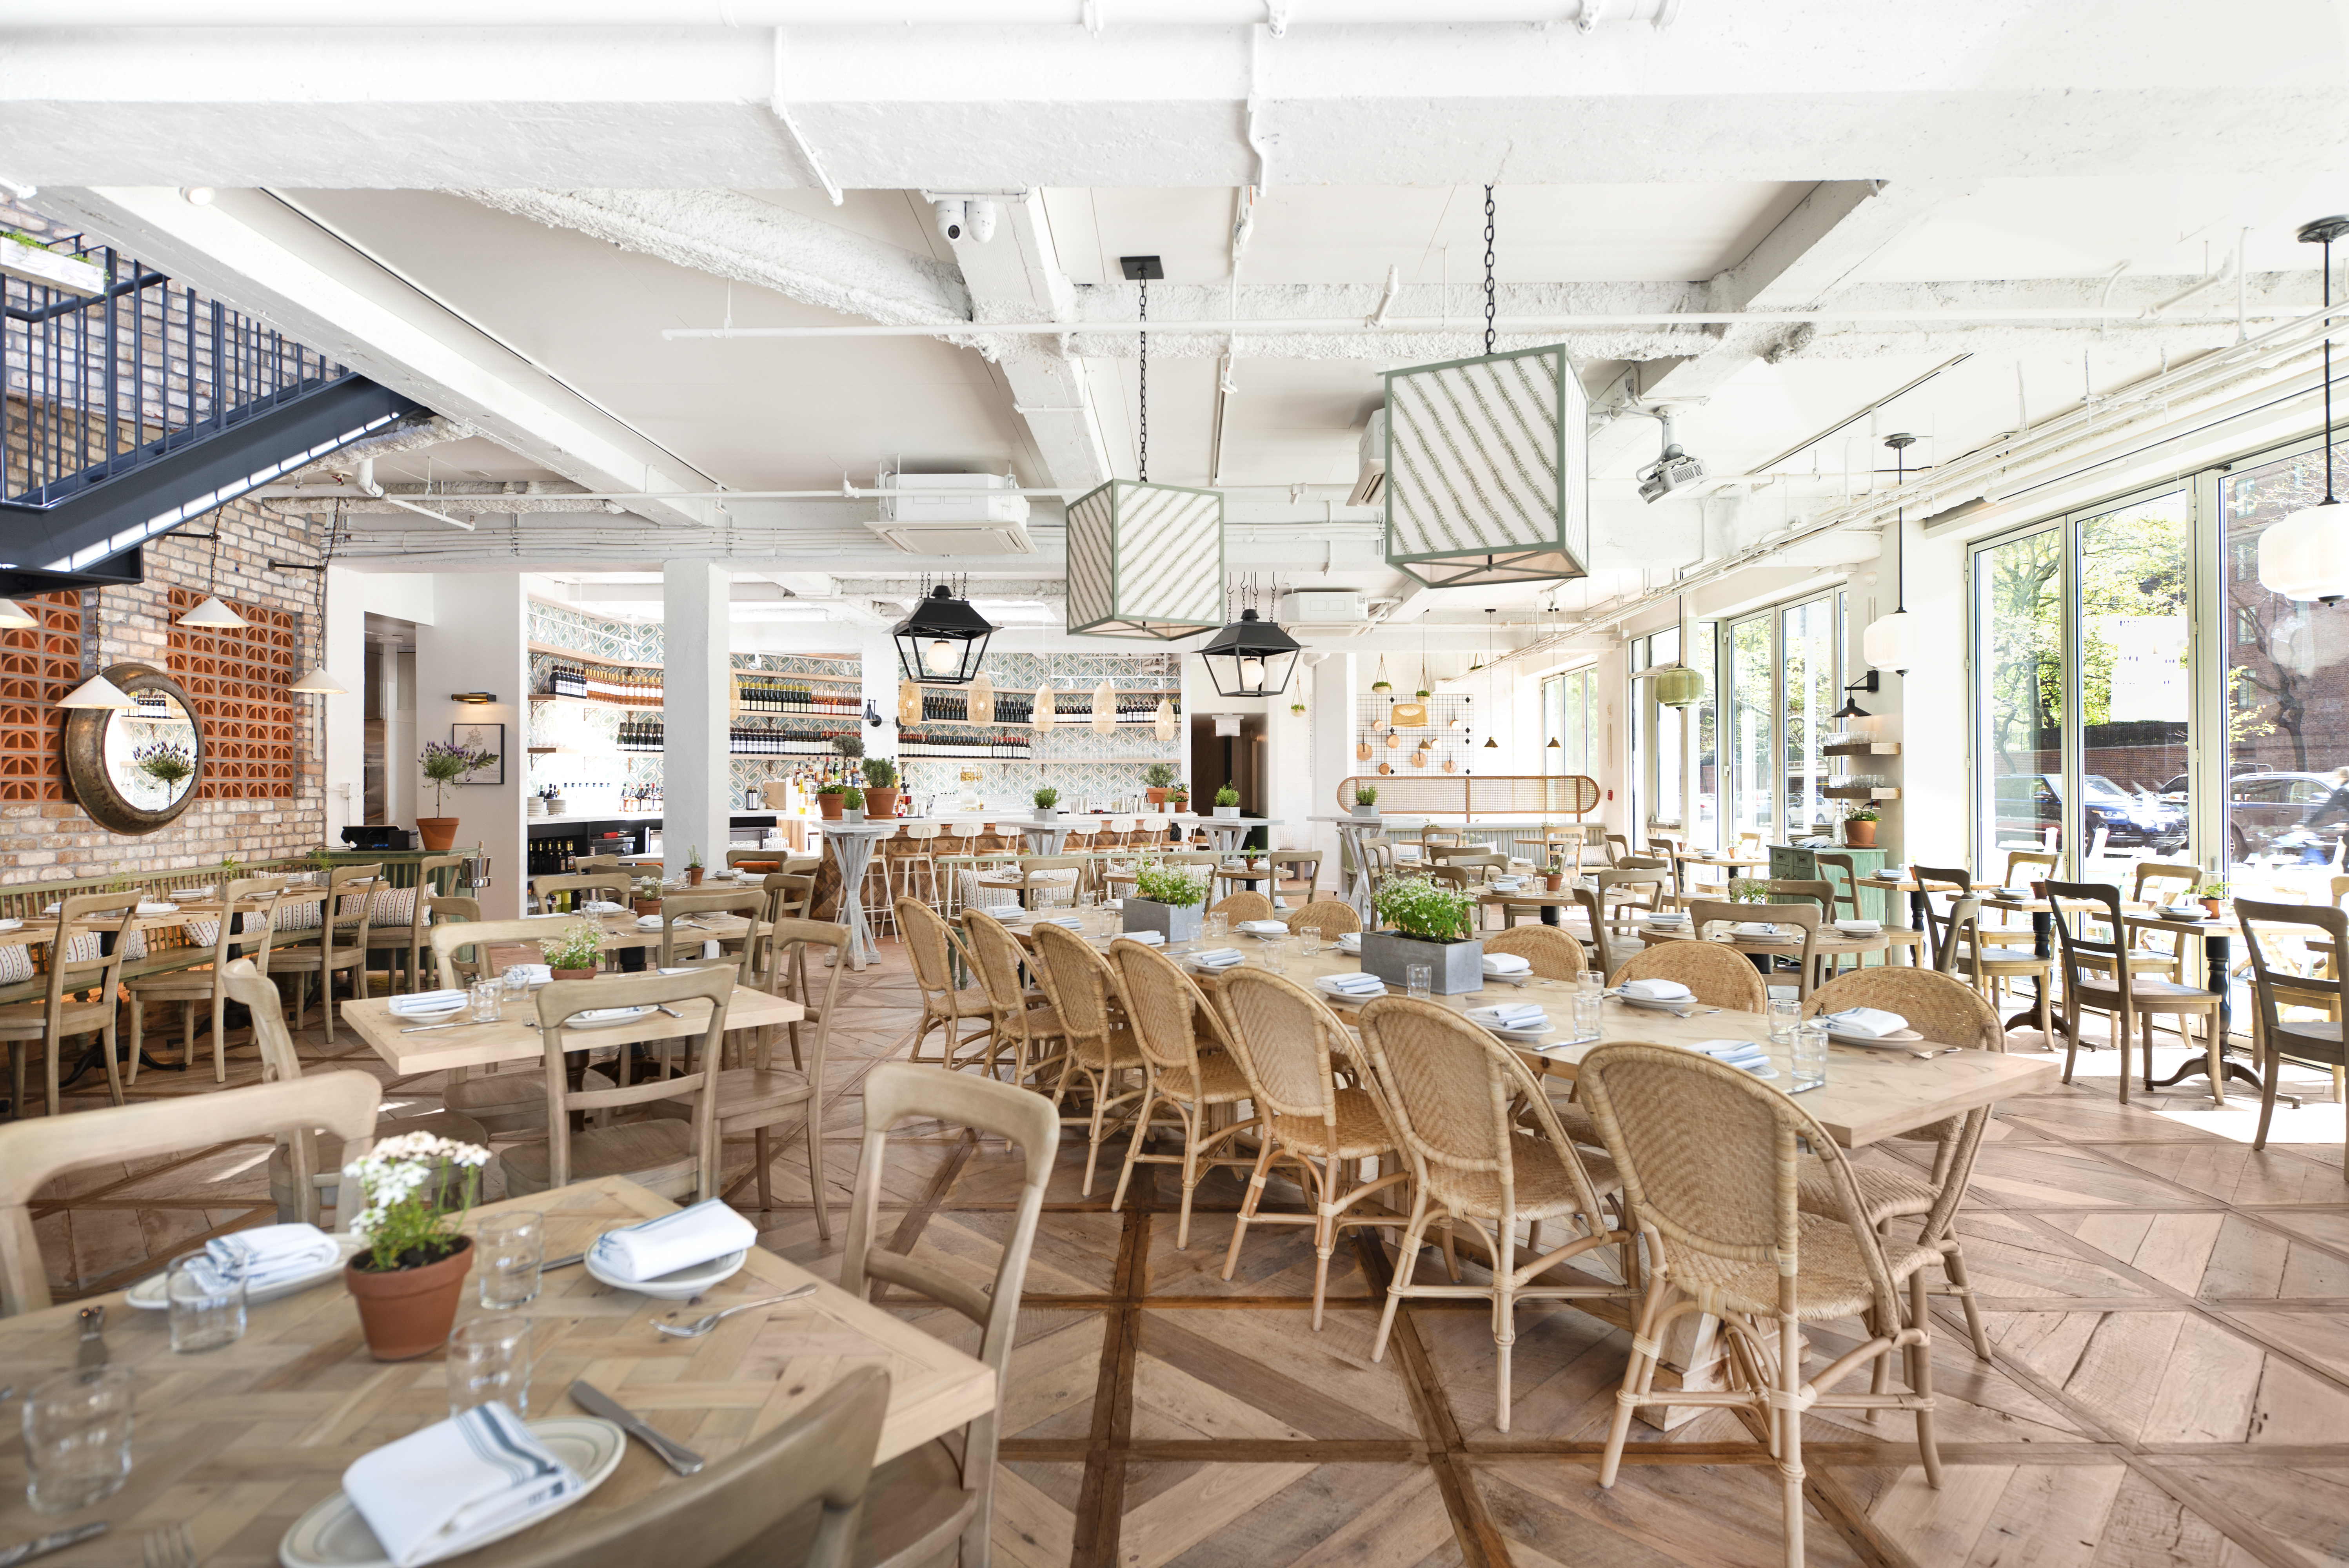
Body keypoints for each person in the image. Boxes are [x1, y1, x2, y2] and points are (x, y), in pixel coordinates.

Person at [2300, 766, 2349, 865]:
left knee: (2344, 861)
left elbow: (2326, 809)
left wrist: (2307, 825)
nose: (2335, 780)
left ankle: (2344, 878)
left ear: (2344, 778)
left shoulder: (2343, 791)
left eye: (2337, 777)